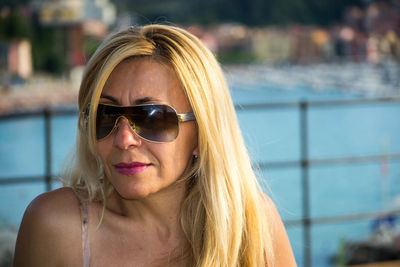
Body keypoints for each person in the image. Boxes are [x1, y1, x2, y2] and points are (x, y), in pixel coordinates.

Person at [13, 24, 296, 266]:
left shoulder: (252, 225)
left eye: (152, 117)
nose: (124, 139)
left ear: (203, 133)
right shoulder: (56, 227)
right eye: (105, 116)